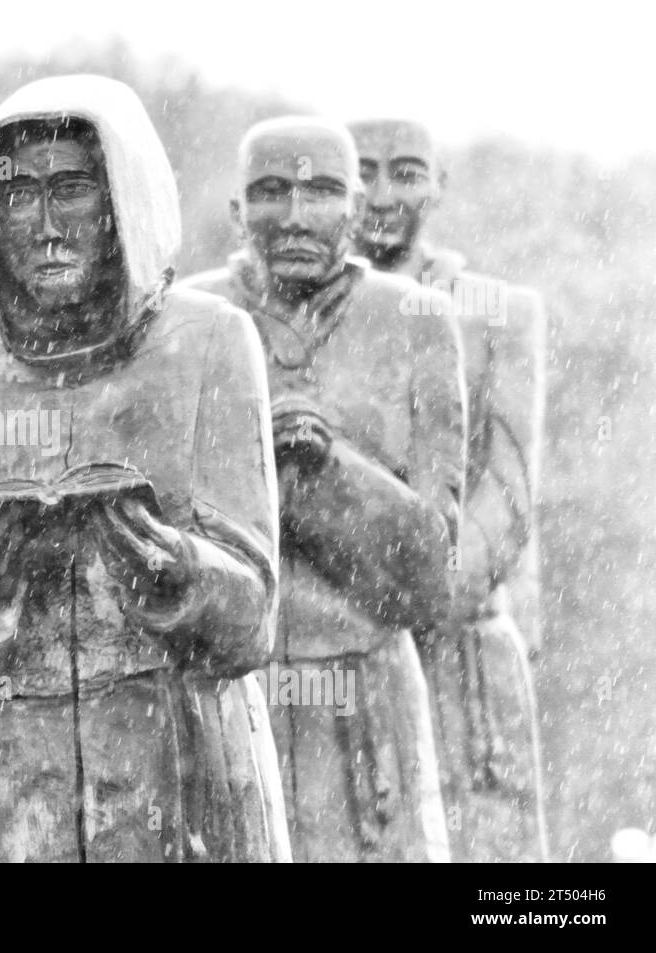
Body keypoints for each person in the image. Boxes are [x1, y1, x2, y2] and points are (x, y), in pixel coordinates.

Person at [0, 75, 289, 863]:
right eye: (18, 196)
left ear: (125, 198)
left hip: (182, 760)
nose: (45, 226)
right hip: (21, 776)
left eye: (71, 189)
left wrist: (177, 570)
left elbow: (254, 618)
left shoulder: (209, 341)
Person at [183, 117, 466, 862]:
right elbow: (159, 535)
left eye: (323, 190)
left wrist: (330, 467)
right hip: (231, 691)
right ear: (238, 212)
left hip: (369, 692)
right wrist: (256, 462)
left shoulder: (418, 319)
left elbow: (431, 579)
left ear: (355, 208)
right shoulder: (190, 322)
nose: (299, 214)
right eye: (272, 191)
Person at [349, 118, 550, 861]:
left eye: (404, 173)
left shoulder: (499, 312)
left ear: (439, 185)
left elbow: (510, 490)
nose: (380, 194)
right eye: (362, 171)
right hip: (336, 648)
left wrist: (425, 590)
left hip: (457, 638)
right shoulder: (283, 316)